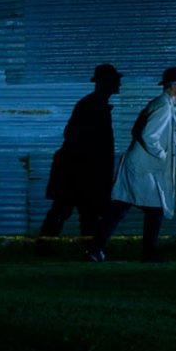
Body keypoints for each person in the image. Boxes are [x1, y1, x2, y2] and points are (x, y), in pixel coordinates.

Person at [87, 66, 176, 263]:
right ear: (171, 86)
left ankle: (95, 248)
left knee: (121, 207)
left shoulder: (163, 104)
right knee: (154, 209)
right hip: (143, 167)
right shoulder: (164, 107)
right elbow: (148, 135)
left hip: (140, 165)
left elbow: (137, 130)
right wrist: (162, 156)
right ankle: (148, 253)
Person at [39, 63, 123, 238]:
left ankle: (51, 246)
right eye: (115, 80)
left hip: (79, 172)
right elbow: (78, 138)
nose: (119, 84)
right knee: (79, 211)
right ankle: (83, 248)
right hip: (82, 173)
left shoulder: (94, 104)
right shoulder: (93, 106)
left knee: (75, 211)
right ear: (105, 82)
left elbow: (73, 134)